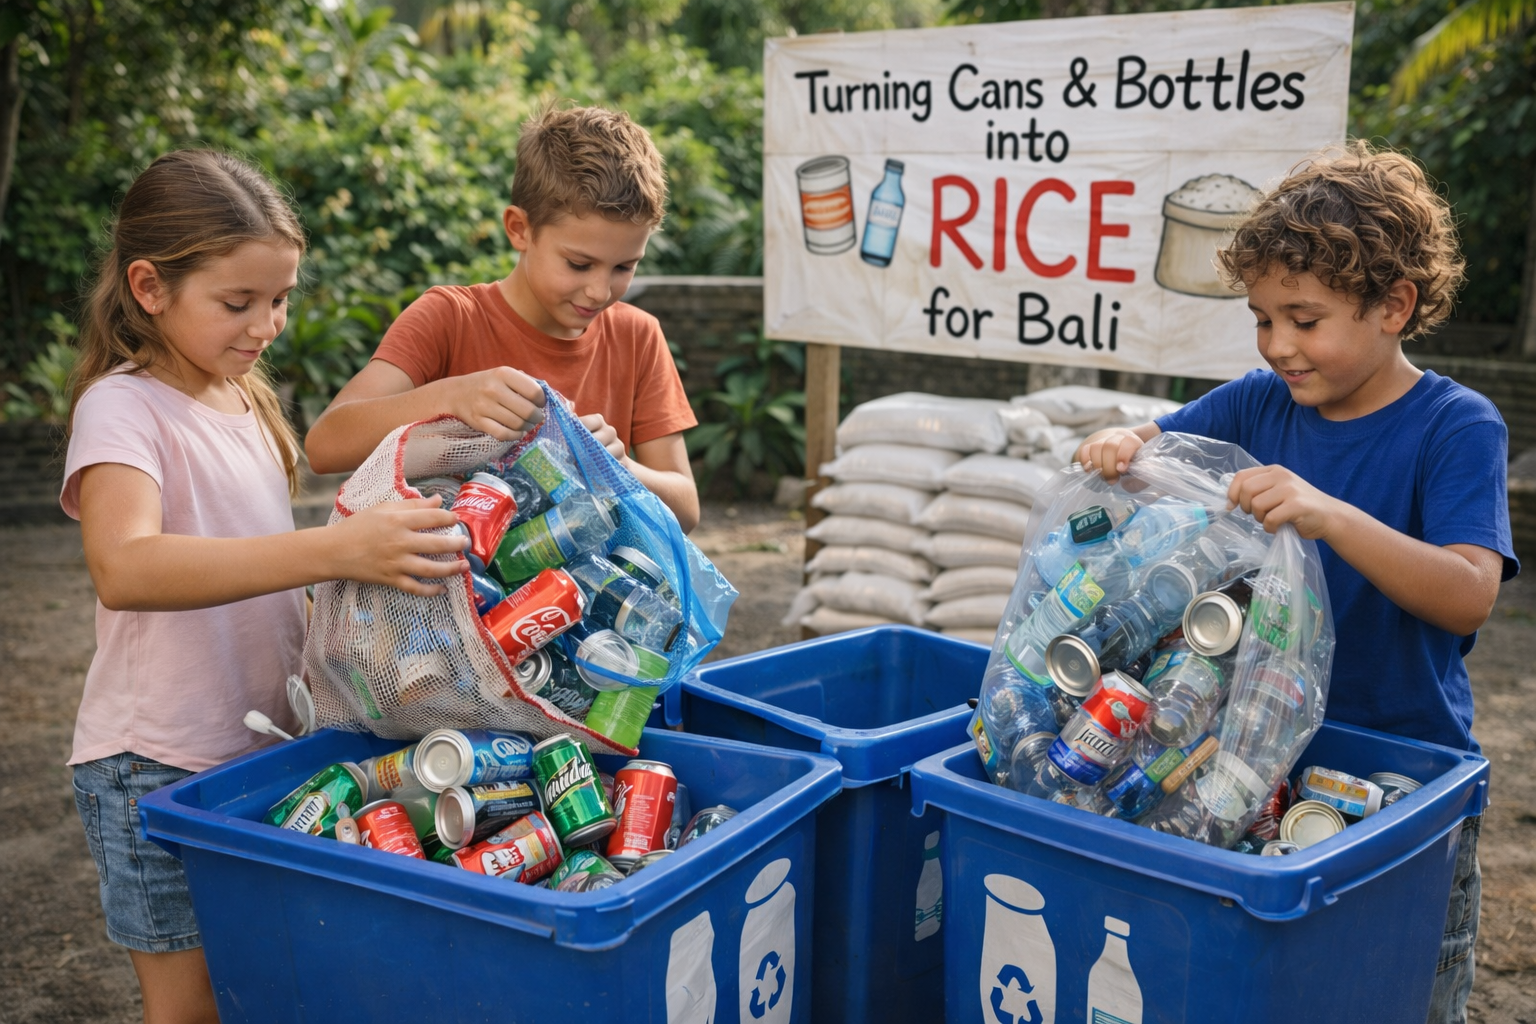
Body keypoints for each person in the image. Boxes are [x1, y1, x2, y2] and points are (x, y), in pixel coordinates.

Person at [1077, 142, 1515, 1024]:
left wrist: (1330, 514)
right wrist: (1124, 443)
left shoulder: (1456, 427)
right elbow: (1161, 442)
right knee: (1284, 981)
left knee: (1399, 983)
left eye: (1304, 319)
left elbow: (1470, 592)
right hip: (1258, 755)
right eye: (1261, 319)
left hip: (1401, 771)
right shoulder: (1257, 401)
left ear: (1395, 306)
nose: (1279, 345)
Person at [62, 150, 468, 1024]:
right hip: (155, 762)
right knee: (192, 1007)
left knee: (268, 981)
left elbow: (259, 571)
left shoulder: (244, 400)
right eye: (238, 302)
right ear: (149, 286)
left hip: (258, 744)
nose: (267, 324)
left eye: (280, 299)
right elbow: (124, 566)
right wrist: (333, 555)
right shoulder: (121, 409)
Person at [304, 105, 701, 532]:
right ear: (519, 229)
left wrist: (618, 466)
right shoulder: (449, 318)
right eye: (579, 264)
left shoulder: (637, 337)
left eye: (624, 267)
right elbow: (326, 445)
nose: (600, 291)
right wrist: (452, 398)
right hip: (453, 589)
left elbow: (686, 508)